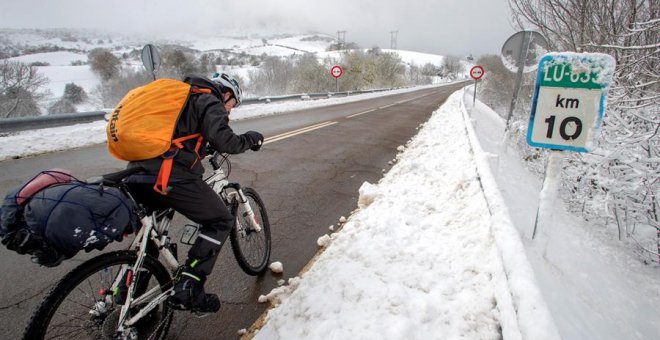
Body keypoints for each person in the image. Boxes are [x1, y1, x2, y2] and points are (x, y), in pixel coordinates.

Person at [126, 73, 264, 314]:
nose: (230, 111)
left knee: (152, 239)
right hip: (170, 175)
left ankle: (127, 300)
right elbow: (227, 141)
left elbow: (181, 135)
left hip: (136, 173)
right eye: (232, 105)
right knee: (221, 220)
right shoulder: (209, 100)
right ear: (226, 94)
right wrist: (251, 139)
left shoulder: (181, 99)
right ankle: (190, 286)